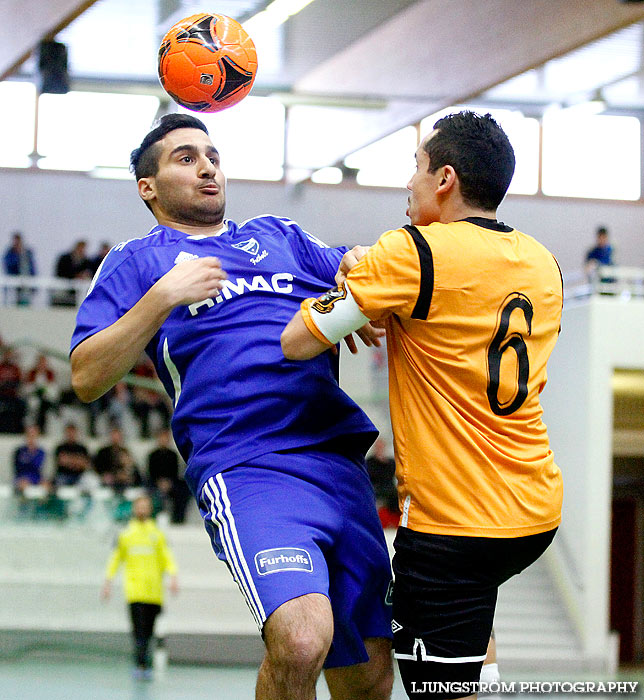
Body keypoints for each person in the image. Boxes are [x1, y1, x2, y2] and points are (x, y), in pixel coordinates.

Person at [70, 113, 394, 700]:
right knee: (300, 640)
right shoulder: (139, 260)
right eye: (186, 157)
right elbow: (87, 375)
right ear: (149, 187)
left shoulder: (280, 235)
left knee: (370, 676)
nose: (207, 167)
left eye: (212, 155)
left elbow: (359, 267)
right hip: (247, 466)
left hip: (338, 461)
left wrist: (355, 286)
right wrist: (162, 297)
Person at [281, 111, 564, 700]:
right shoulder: (545, 262)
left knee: (436, 690)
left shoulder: (412, 253)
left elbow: (297, 341)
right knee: (471, 636)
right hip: (533, 510)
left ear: (445, 180)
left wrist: (357, 279)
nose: (408, 184)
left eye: (416, 168)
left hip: (451, 523)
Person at [101, 494, 179, 680]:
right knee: (139, 629)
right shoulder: (126, 534)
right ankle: (140, 663)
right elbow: (116, 559)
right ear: (135, 509)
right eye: (139, 506)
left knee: (150, 630)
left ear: (150, 509)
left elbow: (166, 557)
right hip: (135, 591)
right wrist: (108, 582)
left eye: (145, 506)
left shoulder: (157, 534)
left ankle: (146, 661)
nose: (142, 510)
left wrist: (173, 577)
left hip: (154, 592)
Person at [147, 428, 190, 524]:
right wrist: (159, 483)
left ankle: (178, 520)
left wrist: (168, 483)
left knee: (182, 492)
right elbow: (150, 473)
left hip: (171, 483)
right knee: (149, 492)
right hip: (154, 483)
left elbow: (175, 473)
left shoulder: (173, 455)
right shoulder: (152, 455)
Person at [94, 426, 141, 491]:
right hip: (107, 480)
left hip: (123, 481)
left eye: (118, 436)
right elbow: (97, 467)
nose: (115, 438)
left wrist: (125, 475)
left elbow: (131, 468)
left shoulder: (125, 451)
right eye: (114, 435)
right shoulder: (103, 452)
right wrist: (106, 475)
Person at [24, 353, 59, 433]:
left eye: (43, 363)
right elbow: (27, 387)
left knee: (45, 406)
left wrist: (45, 390)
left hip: (46, 398)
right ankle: (33, 427)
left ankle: (43, 428)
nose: (42, 365)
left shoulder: (49, 373)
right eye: (40, 363)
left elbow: (53, 388)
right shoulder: (32, 373)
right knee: (33, 404)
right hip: (34, 397)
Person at [53, 239, 92, 306]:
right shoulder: (65, 258)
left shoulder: (86, 261)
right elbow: (60, 272)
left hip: (77, 290)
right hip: (64, 285)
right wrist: (75, 275)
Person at [53, 422, 92, 486]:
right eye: (69, 432)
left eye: (72, 432)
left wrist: (68, 460)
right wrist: (77, 460)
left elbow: (85, 464)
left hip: (79, 476)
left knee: (89, 481)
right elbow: (61, 462)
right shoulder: (60, 448)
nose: (71, 434)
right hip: (63, 475)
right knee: (59, 481)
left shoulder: (82, 448)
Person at [3, 231, 37, 305]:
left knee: (25, 302)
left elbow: (32, 268)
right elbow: (8, 265)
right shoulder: (9, 253)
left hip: (26, 284)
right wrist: (18, 257)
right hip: (13, 282)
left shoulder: (27, 253)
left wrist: (34, 283)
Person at [13, 424, 47, 493]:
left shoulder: (41, 452)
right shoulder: (19, 451)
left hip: (36, 477)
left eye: (33, 435)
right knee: (23, 484)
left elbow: (37, 467)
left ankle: (42, 503)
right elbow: (17, 468)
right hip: (22, 476)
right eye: (29, 434)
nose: (31, 437)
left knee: (46, 485)